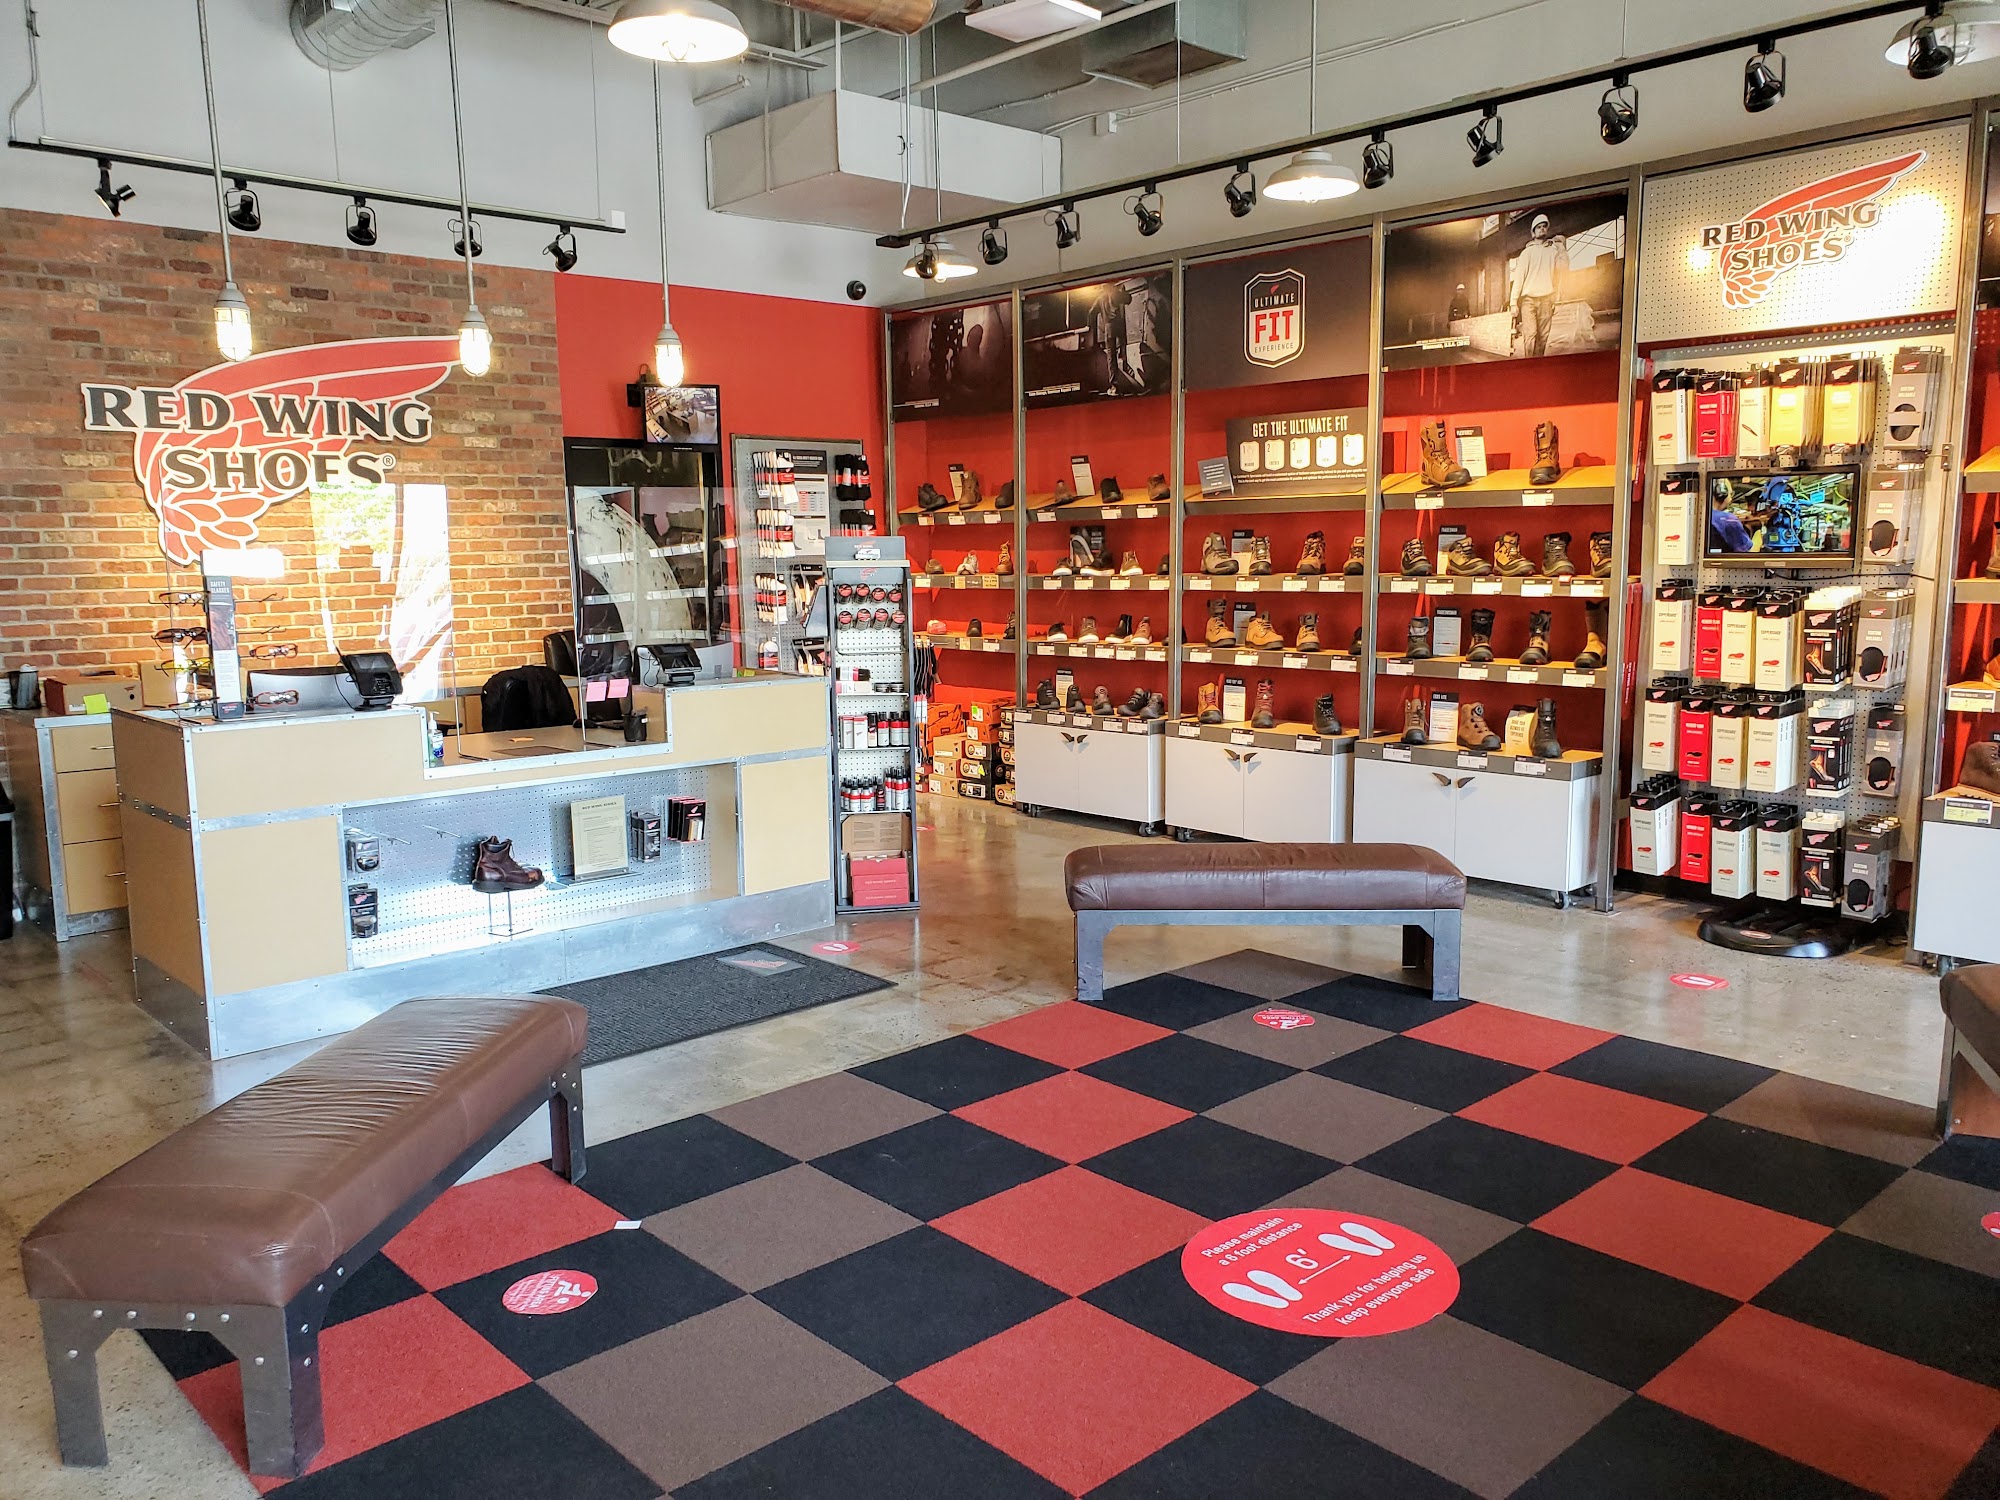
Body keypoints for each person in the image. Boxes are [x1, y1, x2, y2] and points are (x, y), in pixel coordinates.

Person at [1509, 213, 1569, 358]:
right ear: (1533, 232)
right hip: (1528, 301)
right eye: (1538, 227)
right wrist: (1513, 302)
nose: (1542, 229)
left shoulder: (1553, 252)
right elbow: (1519, 278)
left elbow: (1563, 269)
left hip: (1546, 299)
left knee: (1543, 337)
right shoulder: (1526, 253)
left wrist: (1561, 249)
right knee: (1530, 335)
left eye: (1544, 227)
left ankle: (1539, 364)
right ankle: (1529, 364)